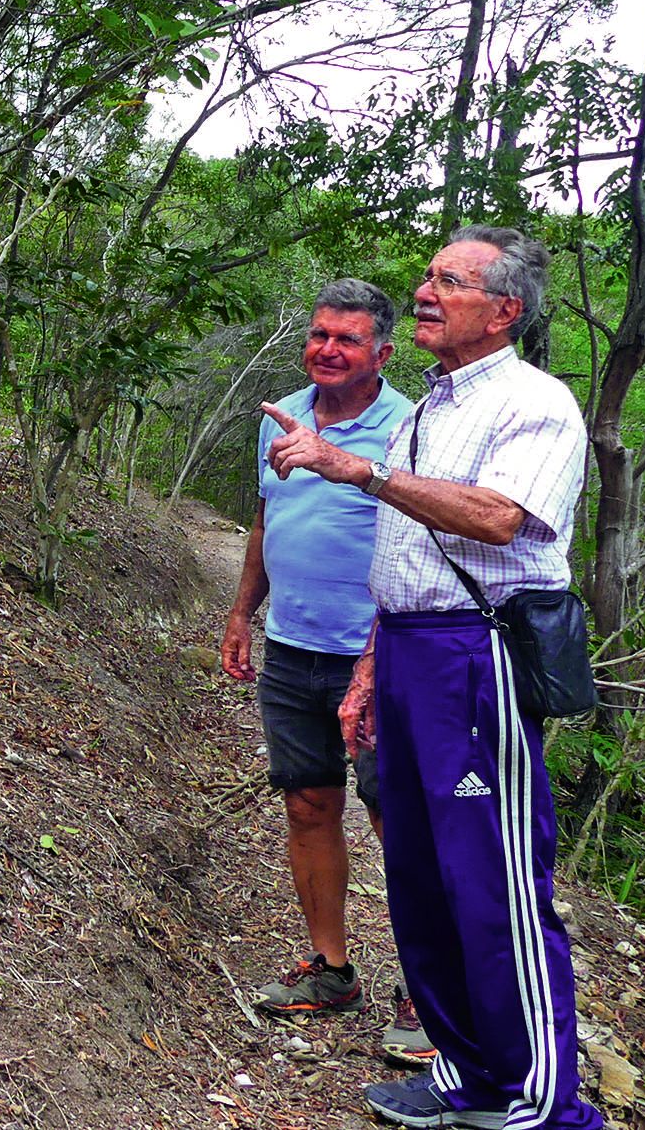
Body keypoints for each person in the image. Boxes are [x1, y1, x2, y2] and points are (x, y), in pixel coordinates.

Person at [263, 226, 602, 1130]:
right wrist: (372, 665)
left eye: (446, 280)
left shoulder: (535, 403)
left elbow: (499, 518)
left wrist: (355, 466)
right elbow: (408, 547)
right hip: (410, 648)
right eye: (426, 274)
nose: (424, 289)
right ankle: (466, 1072)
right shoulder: (432, 406)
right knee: (416, 875)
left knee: (488, 878)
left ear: (503, 309)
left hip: (476, 657)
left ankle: (539, 1100)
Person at [221, 279, 431, 1065]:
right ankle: (330, 968)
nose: (328, 350)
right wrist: (243, 611)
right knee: (308, 803)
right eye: (318, 335)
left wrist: (377, 657)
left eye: (347, 339)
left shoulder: (407, 427)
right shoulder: (281, 410)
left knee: (396, 819)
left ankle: (426, 986)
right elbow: (268, 516)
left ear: (381, 350)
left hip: (374, 655)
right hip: (292, 645)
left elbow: (421, 544)